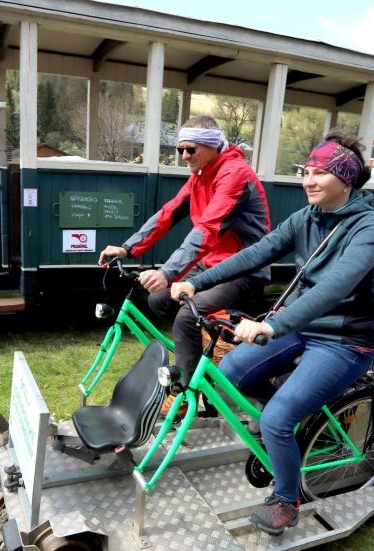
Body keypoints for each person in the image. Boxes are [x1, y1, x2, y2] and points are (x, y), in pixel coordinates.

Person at [170, 130, 374, 536]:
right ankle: (290, 429)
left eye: (320, 173)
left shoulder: (370, 227)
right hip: (301, 326)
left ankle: (287, 498)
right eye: (306, 171)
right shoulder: (306, 218)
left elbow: (334, 288)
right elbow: (256, 253)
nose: (308, 180)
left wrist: (271, 324)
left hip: (344, 339)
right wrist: (198, 282)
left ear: (346, 180)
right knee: (230, 375)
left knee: (276, 417)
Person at [98, 115, 270, 400]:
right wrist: (128, 247)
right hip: (212, 264)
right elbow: (168, 213)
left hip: (242, 267)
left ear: (212, 146)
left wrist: (167, 272)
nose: (184, 156)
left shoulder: (234, 174)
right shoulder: (200, 176)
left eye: (191, 149)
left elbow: (207, 228)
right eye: (180, 150)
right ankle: (206, 351)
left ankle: (184, 394)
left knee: (187, 319)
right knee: (156, 299)